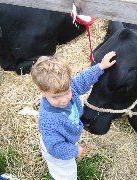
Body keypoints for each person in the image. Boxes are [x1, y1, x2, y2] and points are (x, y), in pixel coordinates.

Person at [30, 51, 116, 180]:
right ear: (43, 92)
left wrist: (100, 67)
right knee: (67, 174)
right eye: (56, 97)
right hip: (55, 150)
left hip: (64, 140)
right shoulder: (49, 121)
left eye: (67, 92)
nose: (64, 100)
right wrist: (75, 151)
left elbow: (82, 80)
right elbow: (55, 147)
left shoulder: (69, 87)